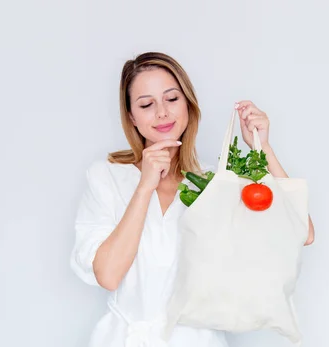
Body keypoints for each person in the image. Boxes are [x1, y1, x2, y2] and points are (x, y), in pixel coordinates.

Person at [70, 52, 315, 347]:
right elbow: (108, 275)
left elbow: (302, 231)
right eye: (146, 104)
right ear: (132, 117)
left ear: (188, 103)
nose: (162, 112)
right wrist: (145, 187)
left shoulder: (215, 182)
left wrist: (262, 148)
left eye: (172, 99)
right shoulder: (106, 178)